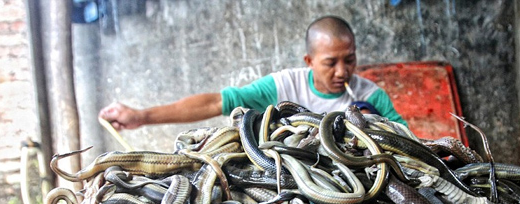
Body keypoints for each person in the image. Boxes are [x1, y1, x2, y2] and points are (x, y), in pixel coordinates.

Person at [98, 16, 408, 129]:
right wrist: (142, 116)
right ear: (309, 61)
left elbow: (409, 144)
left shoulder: (371, 96)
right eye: (331, 62)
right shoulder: (283, 86)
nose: (343, 71)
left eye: (350, 60)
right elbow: (215, 103)